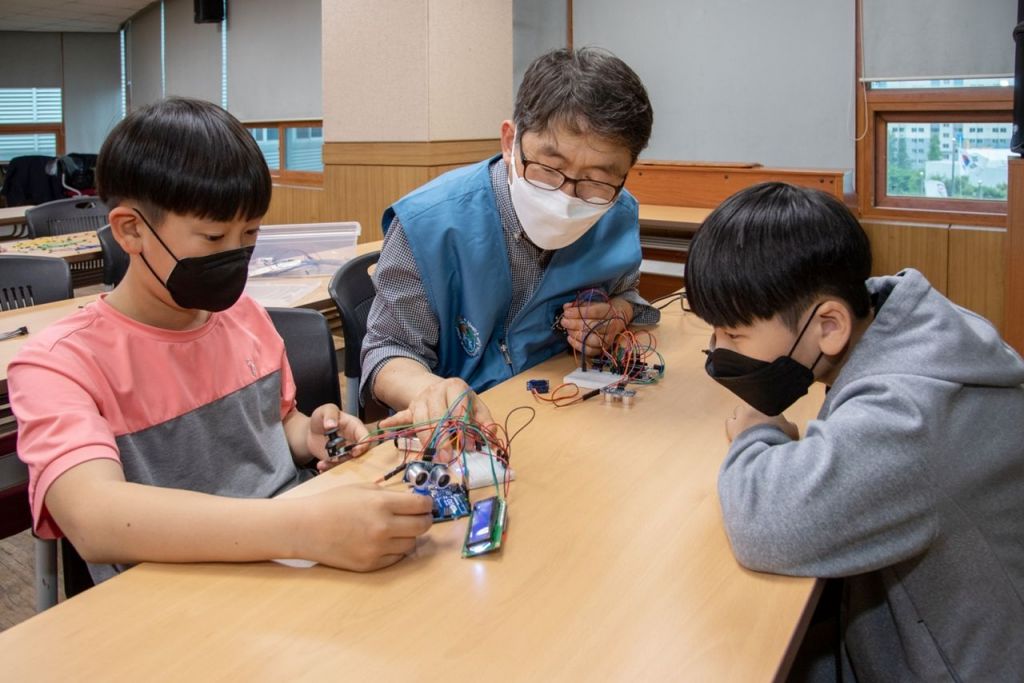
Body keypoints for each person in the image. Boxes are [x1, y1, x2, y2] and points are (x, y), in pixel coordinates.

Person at [9, 98, 433, 583]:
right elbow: (95, 518)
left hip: (289, 563)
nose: (236, 255)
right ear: (131, 230)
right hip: (174, 591)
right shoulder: (59, 364)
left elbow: (276, 424)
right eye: (213, 238)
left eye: (249, 233)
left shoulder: (244, 317)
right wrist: (301, 528)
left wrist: (310, 435)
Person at [685, 181, 1024, 680]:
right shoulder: (904, 324)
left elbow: (766, 526)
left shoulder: (910, 415)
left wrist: (757, 430)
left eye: (734, 333)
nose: (718, 351)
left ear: (829, 326)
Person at [362, 47, 660, 427]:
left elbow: (627, 293)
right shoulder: (427, 225)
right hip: (467, 427)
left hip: (567, 409)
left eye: (597, 180)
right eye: (549, 168)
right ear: (509, 142)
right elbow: (387, 350)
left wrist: (616, 314)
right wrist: (428, 391)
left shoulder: (616, 213)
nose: (567, 198)